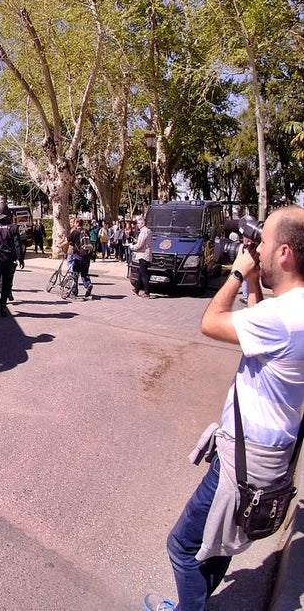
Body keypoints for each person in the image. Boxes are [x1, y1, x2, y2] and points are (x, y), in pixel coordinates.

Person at [143, 206, 304, 611]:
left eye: (263, 242)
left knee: (181, 545)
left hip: (242, 461)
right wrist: (255, 284)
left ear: (284, 252)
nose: (258, 248)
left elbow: (211, 322)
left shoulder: (281, 318)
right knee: (219, 544)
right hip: (271, 459)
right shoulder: (291, 313)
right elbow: (263, 329)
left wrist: (235, 273)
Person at [65, 216, 94, 299]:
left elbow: (67, 241)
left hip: (78, 257)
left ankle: (74, 292)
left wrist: (60, 245)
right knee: (84, 274)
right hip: (86, 257)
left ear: (77, 223)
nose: (74, 223)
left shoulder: (75, 232)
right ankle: (88, 284)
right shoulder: (86, 231)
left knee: (75, 274)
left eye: (75, 222)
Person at [130, 215, 154, 298]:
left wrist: (132, 246)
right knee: (141, 273)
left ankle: (147, 292)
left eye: (139, 223)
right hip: (146, 254)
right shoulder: (148, 231)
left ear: (143, 223)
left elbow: (140, 245)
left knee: (143, 274)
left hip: (143, 254)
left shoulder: (144, 232)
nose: (138, 225)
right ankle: (136, 289)